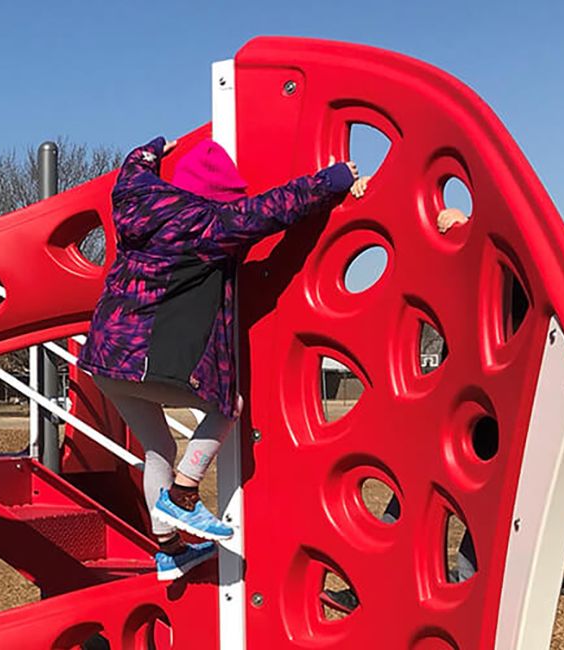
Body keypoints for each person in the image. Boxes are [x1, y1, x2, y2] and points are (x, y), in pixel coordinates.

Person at [79, 137, 362, 579]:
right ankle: (185, 495)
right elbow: (275, 208)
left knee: (159, 447)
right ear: (219, 198)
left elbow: (132, 165)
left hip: (103, 357)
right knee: (226, 407)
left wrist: (154, 148)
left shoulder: (136, 196)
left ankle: (169, 550)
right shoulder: (210, 222)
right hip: (144, 357)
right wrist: (334, 179)